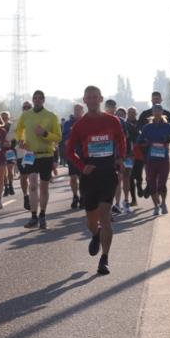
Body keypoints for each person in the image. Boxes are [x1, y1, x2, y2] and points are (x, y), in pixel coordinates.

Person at [65, 86, 127, 276]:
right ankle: (96, 234)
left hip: (107, 172)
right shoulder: (80, 125)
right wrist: (82, 167)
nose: (92, 100)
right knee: (92, 220)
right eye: (88, 97)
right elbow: (69, 151)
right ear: (84, 100)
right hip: (89, 176)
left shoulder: (112, 120)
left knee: (105, 215)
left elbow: (121, 140)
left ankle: (104, 259)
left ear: (100, 99)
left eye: (95, 97)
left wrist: (120, 158)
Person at [15, 91, 62, 230]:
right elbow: (19, 129)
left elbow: (58, 137)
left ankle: (43, 214)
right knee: (33, 184)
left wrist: (45, 134)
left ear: (43, 100)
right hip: (31, 155)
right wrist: (21, 140)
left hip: (46, 155)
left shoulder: (51, 116)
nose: (37, 100)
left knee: (44, 186)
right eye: (35, 98)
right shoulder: (26, 115)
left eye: (40, 98)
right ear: (33, 100)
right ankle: (33, 216)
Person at [137, 105, 170, 216]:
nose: (156, 112)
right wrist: (145, 143)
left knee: (162, 185)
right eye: (154, 110)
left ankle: (164, 204)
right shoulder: (147, 127)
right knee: (152, 185)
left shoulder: (168, 126)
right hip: (151, 160)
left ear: (162, 112)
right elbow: (139, 141)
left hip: (163, 160)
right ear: (152, 112)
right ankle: (156, 206)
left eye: (158, 110)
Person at [61, 104, 85, 210]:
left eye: (79, 110)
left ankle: (83, 197)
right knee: (73, 177)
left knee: (83, 178)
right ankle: (75, 196)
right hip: (72, 154)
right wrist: (68, 141)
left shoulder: (86, 121)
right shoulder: (68, 123)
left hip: (84, 153)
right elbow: (65, 137)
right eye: (76, 110)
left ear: (83, 111)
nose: (77, 111)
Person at [125, 106, 143, 205]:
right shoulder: (124, 124)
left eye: (133, 112)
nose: (131, 114)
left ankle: (139, 187)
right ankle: (133, 199)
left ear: (136, 114)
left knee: (139, 175)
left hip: (139, 154)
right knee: (130, 177)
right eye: (130, 112)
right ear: (127, 114)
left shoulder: (140, 125)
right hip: (128, 155)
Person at [0, 111, 16, 197]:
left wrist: (11, 144)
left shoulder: (12, 126)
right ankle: (5, 187)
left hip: (10, 150)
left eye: (6, 117)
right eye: (2, 117)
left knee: (10, 169)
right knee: (3, 171)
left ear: (9, 117)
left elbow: (16, 137)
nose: (4, 118)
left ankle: (11, 185)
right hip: (1, 151)